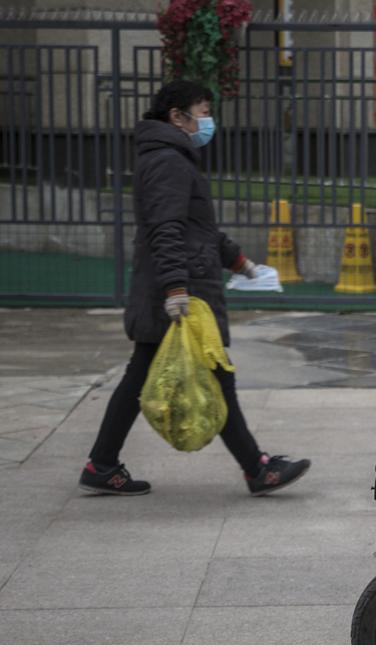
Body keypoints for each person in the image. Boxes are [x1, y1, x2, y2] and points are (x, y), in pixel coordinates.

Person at [77, 80, 310, 497]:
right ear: (177, 116)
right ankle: (256, 468)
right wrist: (175, 289)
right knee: (216, 372)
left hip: (178, 283)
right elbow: (166, 229)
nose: (207, 120)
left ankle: (102, 463)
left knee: (141, 375)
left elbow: (197, 228)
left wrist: (240, 262)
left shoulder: (171, 157)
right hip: (180, 292)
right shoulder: (168, 160)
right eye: (202, 111)